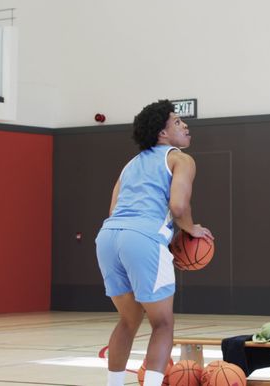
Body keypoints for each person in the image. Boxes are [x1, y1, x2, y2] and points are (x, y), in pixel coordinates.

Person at [96, 100, 213, 386]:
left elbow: (113, 209)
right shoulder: (181, 159)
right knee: (162, 324)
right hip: (143, 238)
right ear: (162, 134)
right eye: (176, 122)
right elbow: (178, 206)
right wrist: (191, 230)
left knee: (128, 321)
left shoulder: (130, 165)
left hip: (109, 238)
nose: (184, 125)